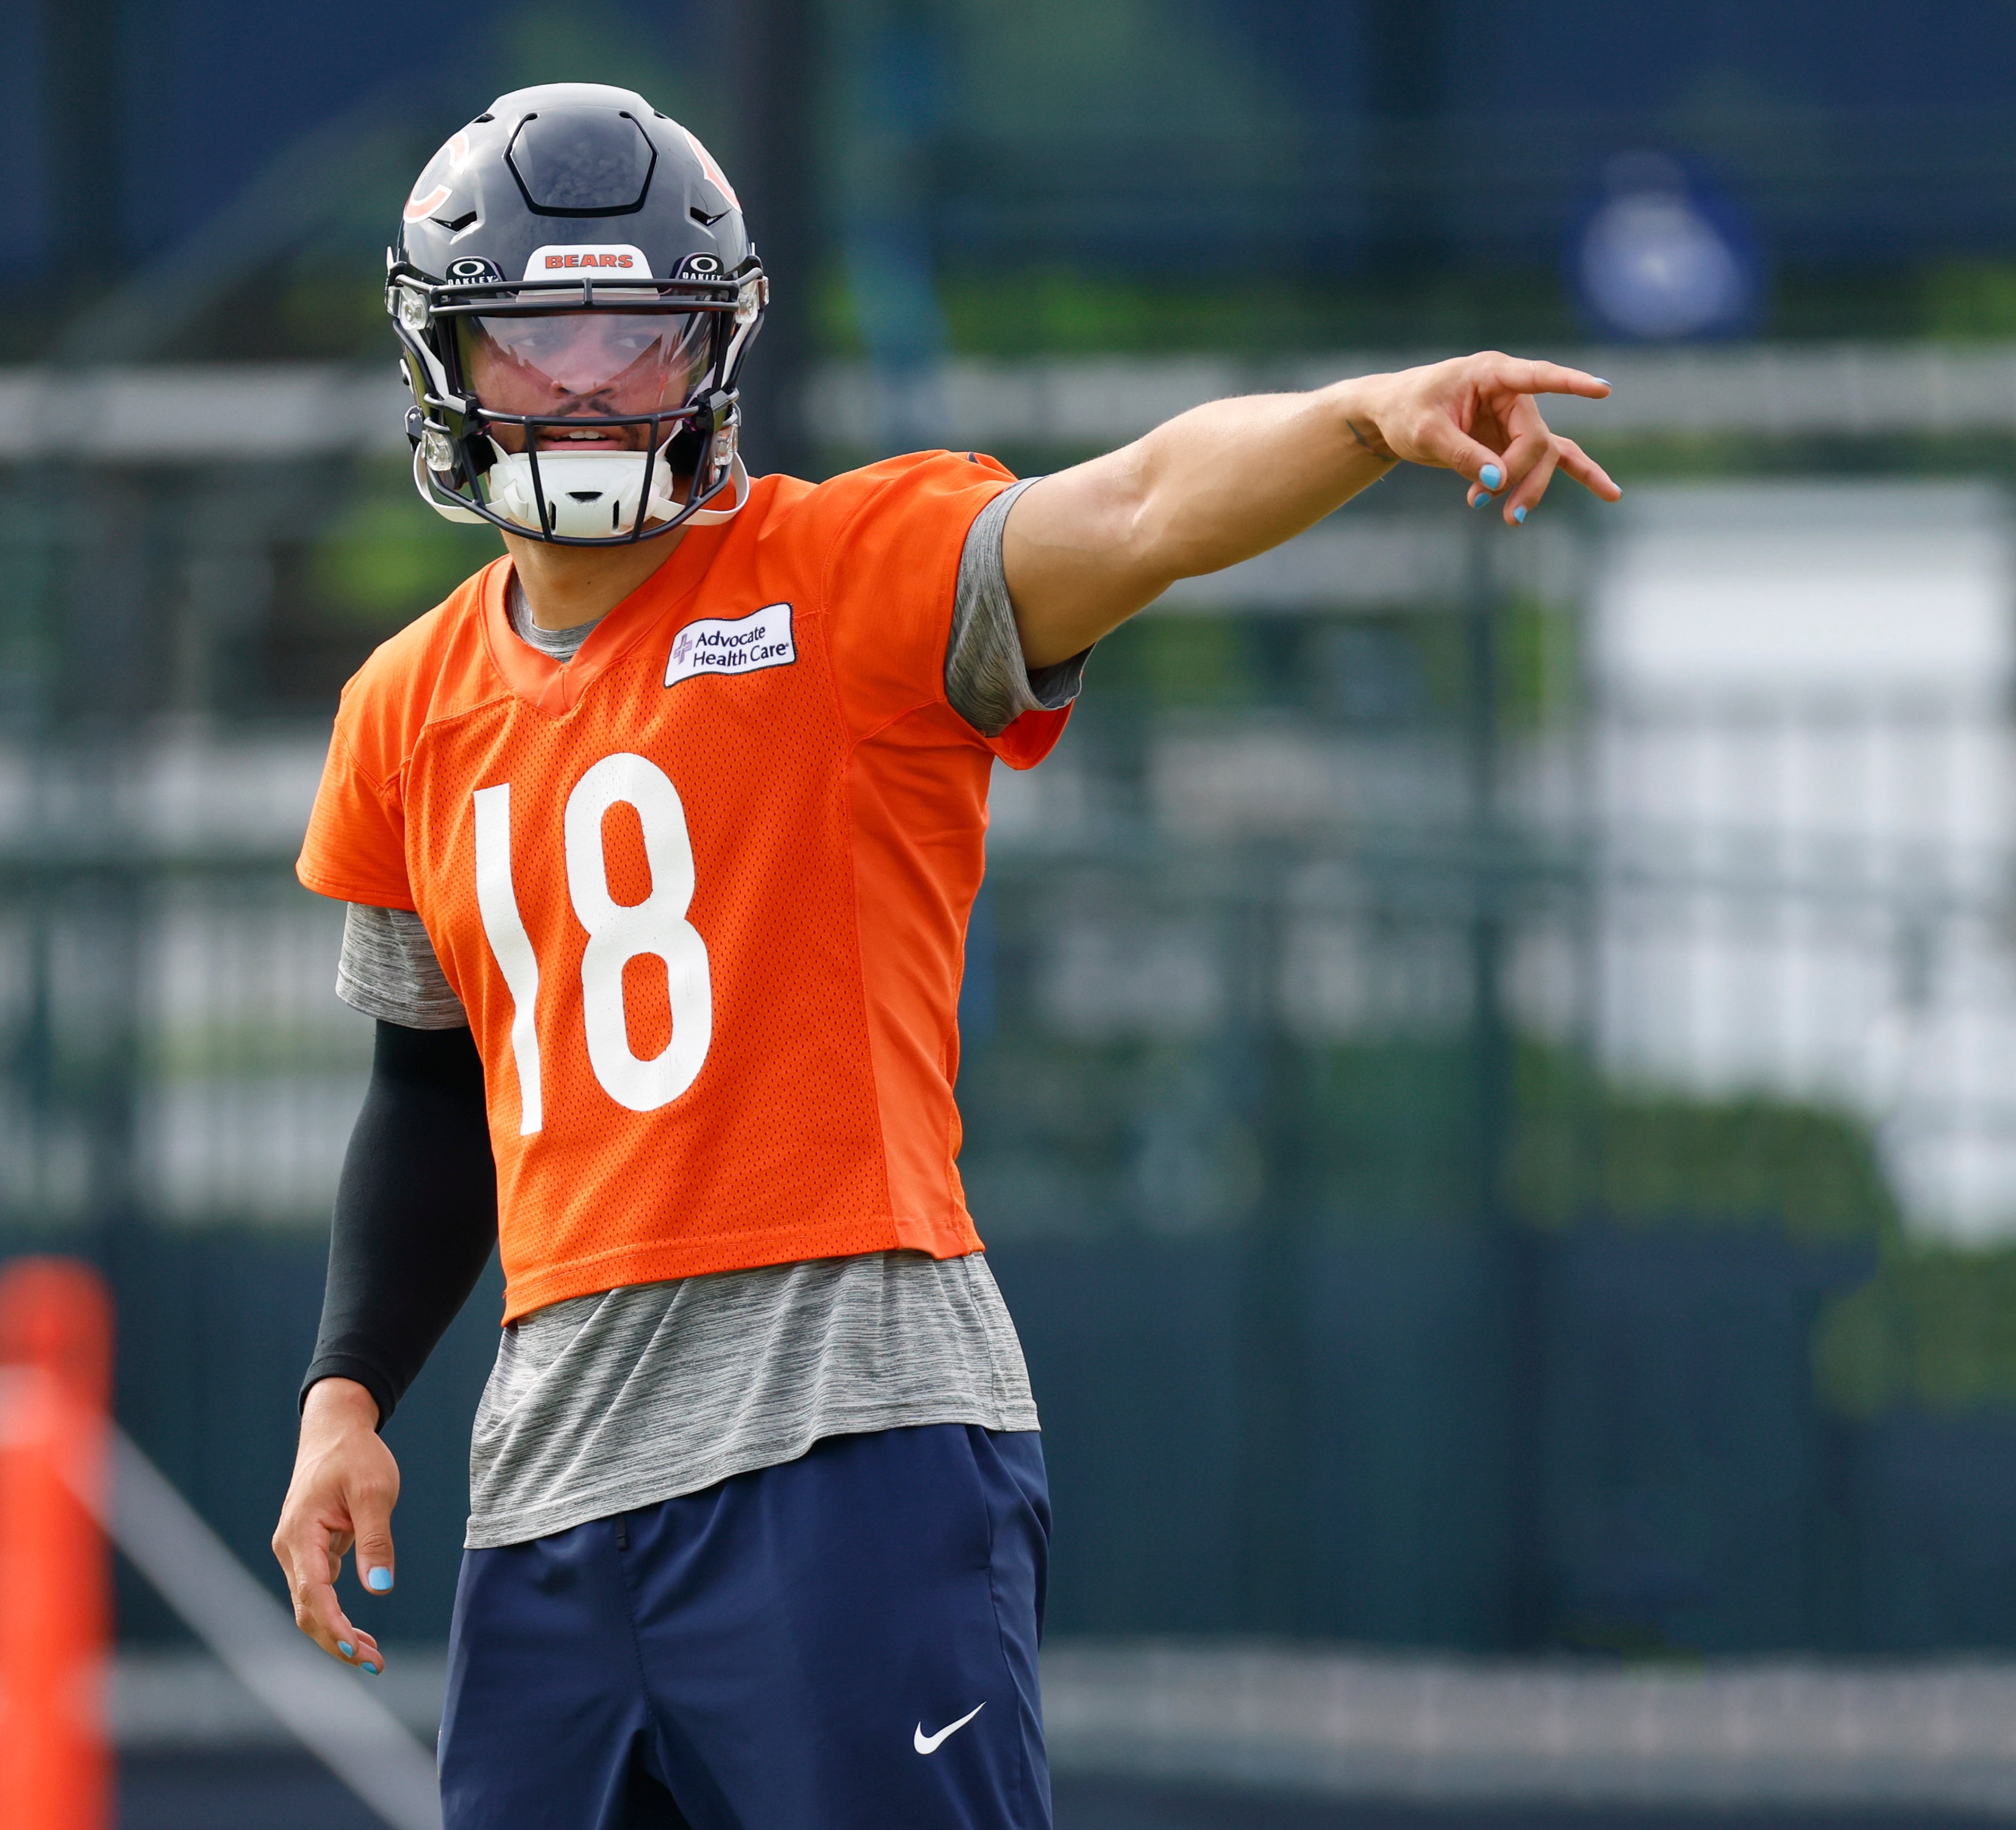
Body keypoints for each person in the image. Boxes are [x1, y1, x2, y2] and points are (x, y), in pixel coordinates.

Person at [275, 80, 1617, 1830]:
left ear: (712, 349)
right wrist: (345, 1390)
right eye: (543, 339)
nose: (594, 385)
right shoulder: (402, 708)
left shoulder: (844, 577)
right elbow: (429, 1090)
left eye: (637, 333)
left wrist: (1361, 416)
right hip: (549, 1484)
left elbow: (1134, 507)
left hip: (844, 1437)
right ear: (450, 356)